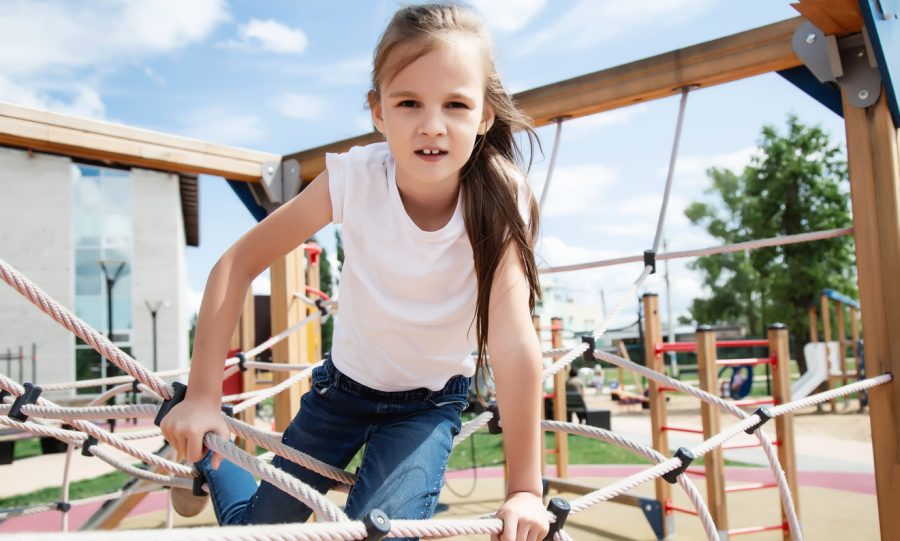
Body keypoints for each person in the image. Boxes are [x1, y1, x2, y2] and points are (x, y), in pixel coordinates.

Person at [160, 4, 549, 541]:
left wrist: (525, 488)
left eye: (456, 104)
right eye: (408, 102)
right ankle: (213, 461)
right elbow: (236, 263)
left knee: (376, 532)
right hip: (341, 393)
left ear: (484, 115)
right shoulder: (355, 177)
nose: (432, 125)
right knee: (257, 533)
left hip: (429, 406)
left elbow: (512, 340)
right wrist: (204, 396)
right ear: (378, 111)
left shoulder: (503, 198)